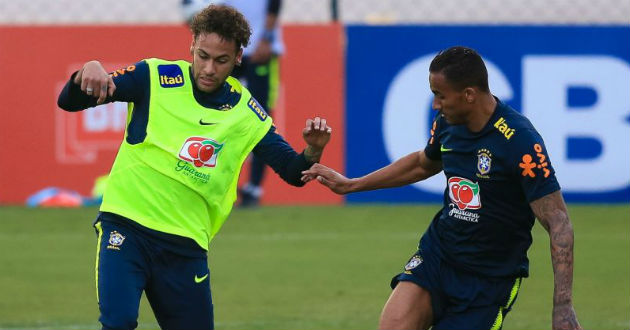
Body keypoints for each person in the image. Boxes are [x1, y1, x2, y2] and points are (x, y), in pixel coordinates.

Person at [57, 5, 331, 330]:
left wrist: (313, 150)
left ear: (239, 57)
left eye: (221, 60)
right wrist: (86, 71)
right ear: (192, 46)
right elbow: (69, 100)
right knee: (119, 322)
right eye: (203, 56)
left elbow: (292, 170)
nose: (209, 69)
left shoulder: (246, 112)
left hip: (186, 246)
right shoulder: (154, 77)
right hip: (126, 228)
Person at [302, 46, 581, 330]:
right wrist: (352, 184)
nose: (436, 105)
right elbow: (423, 164)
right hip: (439, 257)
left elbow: (558, 221)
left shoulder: (518, 141)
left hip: (488, 280)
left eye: (440, 95)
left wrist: (562, 307)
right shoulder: (448, 124)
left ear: (469, 95)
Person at [183, 0, 285, 207]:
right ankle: (206, 181)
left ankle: (254, 188)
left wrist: (266, 37)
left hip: (259, 51)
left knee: (260, 117)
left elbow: (274, 4)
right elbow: (192, 8)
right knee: (208, 114)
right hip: (223, 47)